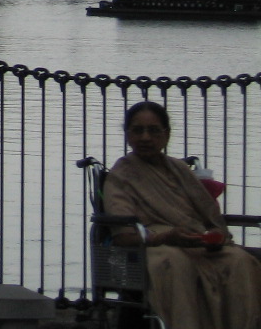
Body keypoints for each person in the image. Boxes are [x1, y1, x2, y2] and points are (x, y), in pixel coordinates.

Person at [102, 100, 261, 329]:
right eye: (138, 130)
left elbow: (211, 217)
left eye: (153, 131)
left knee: (239, 261)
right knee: (175, 264)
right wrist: (165, 238)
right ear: (127, 135)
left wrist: (215, 236)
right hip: (155, 245)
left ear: (166, 135)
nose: (145, 137)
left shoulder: (180, 169)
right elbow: (122, 236)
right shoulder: (121, 175)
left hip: (196, 242)